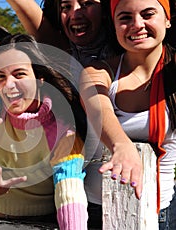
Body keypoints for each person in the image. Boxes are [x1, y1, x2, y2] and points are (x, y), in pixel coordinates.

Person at [0, 33, 88, 230]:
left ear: (40, 79)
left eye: (19, 74)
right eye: (0, 77)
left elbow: (70, 195)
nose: (9, 85)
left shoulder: (64, 131)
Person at [79, 0, 176, 228]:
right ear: (113, 26)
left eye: (148, 14)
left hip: (159, 214)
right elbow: (98, 108)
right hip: (95, 212)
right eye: (125, 18)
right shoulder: (98, 71)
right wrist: (121, 146)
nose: (137, 24)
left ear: (168, 20)